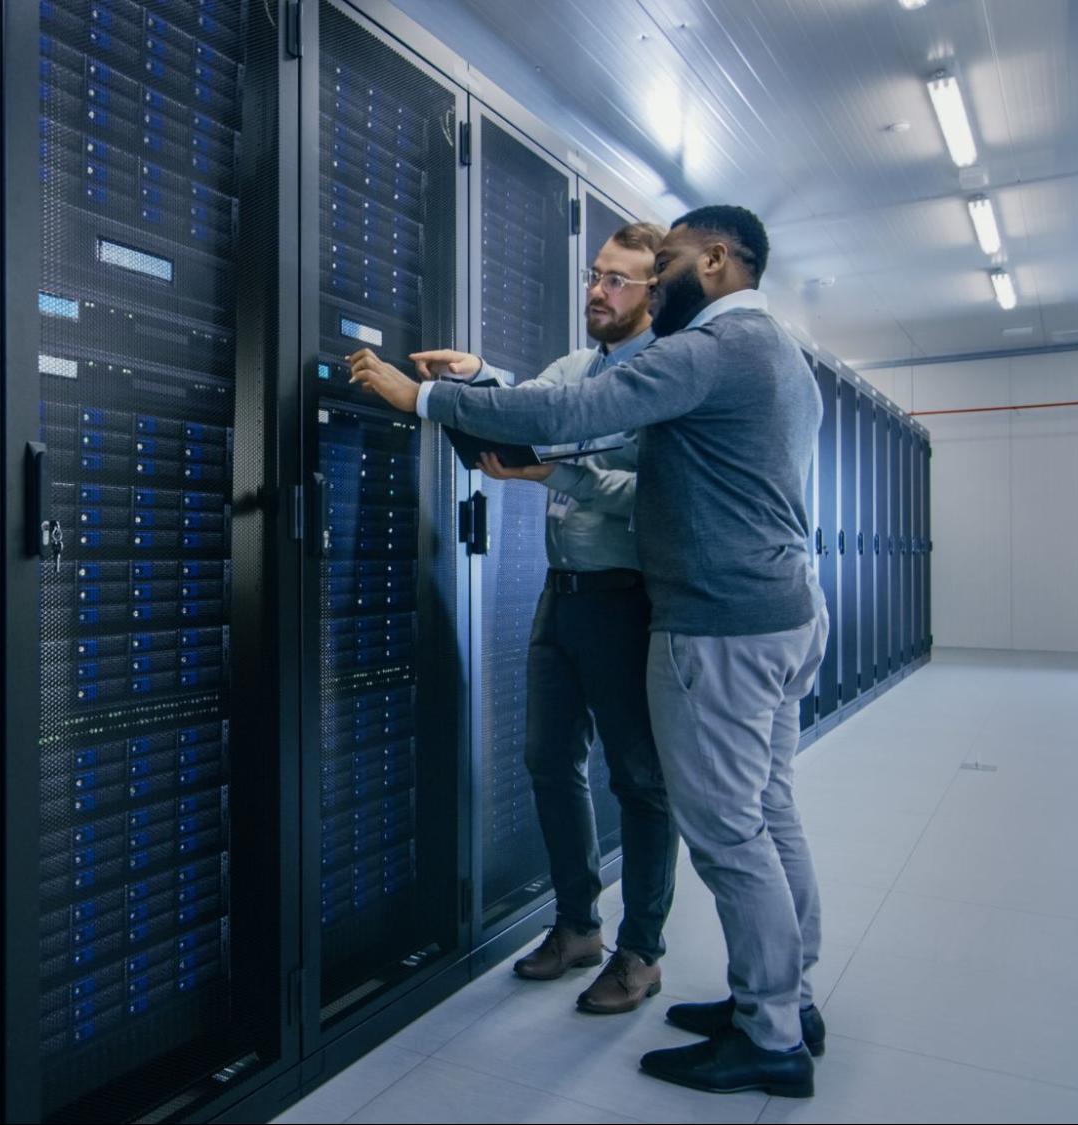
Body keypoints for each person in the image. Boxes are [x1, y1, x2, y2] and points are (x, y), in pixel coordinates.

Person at [346, 205, 828, 1099]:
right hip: (777, 607)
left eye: (659, 265)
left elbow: (579, 411)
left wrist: (425, 400)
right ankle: (784, 1001)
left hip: (718, 617)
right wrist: (488, 381)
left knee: (726, 829)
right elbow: (568, 390)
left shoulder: (708, 349)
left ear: (711, 261)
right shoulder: (779, 352)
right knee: (766, 809)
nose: (618, 288)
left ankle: (765, 1029)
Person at [408, 223, 678, 1016]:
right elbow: (542, 399)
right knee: (546, 759)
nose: (596, 291)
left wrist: (560, 471)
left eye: (617, 281)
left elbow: (658, 497)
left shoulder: (665, 376)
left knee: (637, 779)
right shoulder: (582, 366)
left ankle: (641, 951)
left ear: (653, 294)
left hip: (625, 596)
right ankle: (576, 925)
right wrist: (480, 375)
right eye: (594, 275)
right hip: (561, 595)